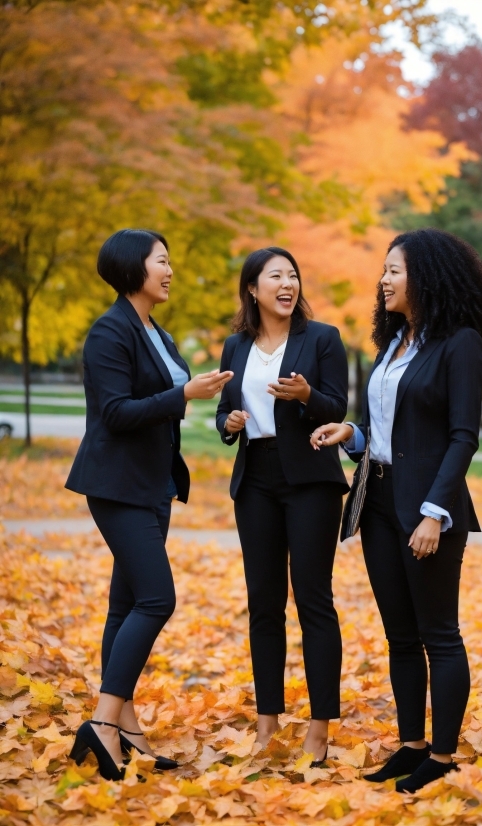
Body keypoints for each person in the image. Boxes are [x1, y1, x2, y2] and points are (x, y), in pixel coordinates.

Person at [310, 228, 482, 792]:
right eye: (384, 270)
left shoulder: (460, 343)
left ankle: (442, 758)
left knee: (439, 633)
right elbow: (392, 432)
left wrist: (434, 512)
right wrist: (353, 433)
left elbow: (463, 437)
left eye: (394, 269)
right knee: (400, 635)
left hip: (426, 509)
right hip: (378, 501)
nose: (383, 279)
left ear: (428, 276)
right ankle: (412, 745)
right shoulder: (394, 345)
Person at [66, 229, 233, 780]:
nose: (169, 270)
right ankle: (102, 721)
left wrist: (192, 395)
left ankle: (126, 729)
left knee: (125, 606)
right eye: (160, 261)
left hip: (152, 484)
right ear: (131, 267)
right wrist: (184, 394)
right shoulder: (109, 331)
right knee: (157, 600)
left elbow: (157, 400)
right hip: (116, 485)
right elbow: (115, 412)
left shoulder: (153, 330)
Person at [216, 247, 349, 764]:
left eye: (292, 275)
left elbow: (336, 406)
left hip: (311, 478)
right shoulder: (236, 346)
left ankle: (319, 727)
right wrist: (228, 423)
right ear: (254, 288)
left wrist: (306, 395)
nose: (287, 283)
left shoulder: (322, 339)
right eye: (276, 276)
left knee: (313, 599)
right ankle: (266, 723)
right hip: (256, 480)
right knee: (263, 603)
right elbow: (229, 411)